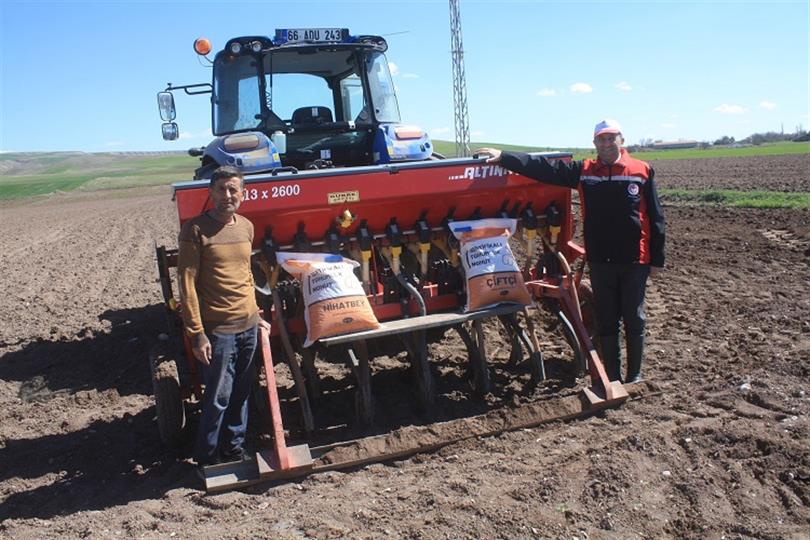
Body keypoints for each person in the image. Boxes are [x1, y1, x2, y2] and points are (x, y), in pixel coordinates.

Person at [476, 119, 665, 383]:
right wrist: (505, 158)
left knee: (634, 317)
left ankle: (634, 376)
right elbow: (544, 169)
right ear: (595, 143)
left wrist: (657, 260)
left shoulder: (641, 171)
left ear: (621, 140)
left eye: (612, 138)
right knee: (607, 320)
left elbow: (656, 217)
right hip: (600, 259)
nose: (607, 143)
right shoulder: (585, 171)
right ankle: (612, 377)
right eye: (602, 139)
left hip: (635, 259)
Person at [177, 165, 266, 474]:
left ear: (242, 193)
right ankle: (206, 458)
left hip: (248, 326)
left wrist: (256, 315)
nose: (228, 195)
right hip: (218, 331)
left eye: (233, 189)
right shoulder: (196, 230)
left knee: (242, 393)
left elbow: (245, 275)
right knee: (218, 396)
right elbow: (187, 283)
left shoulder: (246, 227)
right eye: (222, 189)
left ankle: (234, 449)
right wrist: (197, 333)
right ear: (210, 193)